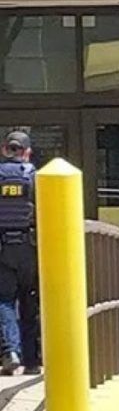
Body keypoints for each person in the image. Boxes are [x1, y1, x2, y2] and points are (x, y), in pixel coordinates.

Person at [0, 131, 39, 375]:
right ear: (27, 152)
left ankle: (10, 351)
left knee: (3, 300)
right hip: (30, 247)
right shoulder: (35, 177)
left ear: (5, 150)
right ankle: (32, 360)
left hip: (2, 247)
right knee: (30, 300)